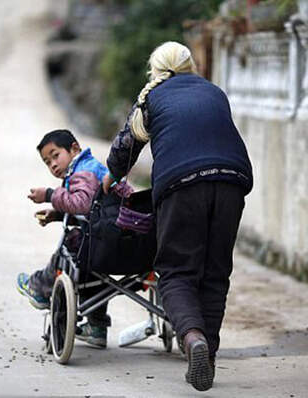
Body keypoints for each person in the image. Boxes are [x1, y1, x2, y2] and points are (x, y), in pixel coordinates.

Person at [102, 41, 253, 391]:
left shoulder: (152, 98)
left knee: (176, 272)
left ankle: (193, 339)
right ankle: (207, 357)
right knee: (215, 273)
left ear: (154, 70)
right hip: (232, 181)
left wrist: (109, 179)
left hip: (181, 184)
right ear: (190, 66)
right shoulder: (214, 92)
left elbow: (126, 146)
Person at [16, 129, 113, 348]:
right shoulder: (95, 169)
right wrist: (58, 214)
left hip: (97, 242)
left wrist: (50, 195)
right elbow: (92, 209)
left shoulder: (84, 172)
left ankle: (39, 286)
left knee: (69, 248)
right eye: (47, 162)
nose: (52, 165)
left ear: (75, 149)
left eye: (55, 155)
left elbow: (82, 204)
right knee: (96, 275)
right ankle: (96, 327)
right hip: (116, 240)